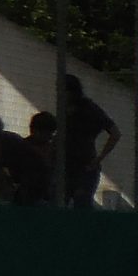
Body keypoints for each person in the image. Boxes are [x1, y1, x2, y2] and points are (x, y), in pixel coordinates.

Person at [58, 74, 118, 208]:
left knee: (81, 202)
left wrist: (98, 159)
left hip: (84, 166)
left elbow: (115, 133)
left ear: (72, 92)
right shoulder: (64, 110)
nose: (60, 95)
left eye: (63, 91)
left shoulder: (89, 109)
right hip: (65, 166)